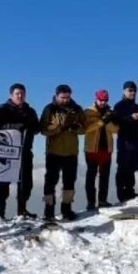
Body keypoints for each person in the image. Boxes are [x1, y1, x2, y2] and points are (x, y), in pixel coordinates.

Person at [0, 83, 40, 221]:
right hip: (7, 151)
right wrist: (16, 127)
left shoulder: (30, 111)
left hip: (25, 150)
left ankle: (22, 210)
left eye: (22, 93)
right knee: (4, 181)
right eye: (17, 93)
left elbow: (37, 128)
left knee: (26, 182)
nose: (20, 96)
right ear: (11, 95)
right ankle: (0, 211)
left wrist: (30, 126)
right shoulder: (3, 109)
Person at [40, 85, 86, 221]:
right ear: (56, 95)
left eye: (67, 97)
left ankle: (67, 209)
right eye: (62, 97)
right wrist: (59, 127)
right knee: (50, 182)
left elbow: (84, 128)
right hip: (54, 151)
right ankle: (48, 211)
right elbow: (43, 128)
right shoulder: (49, 109)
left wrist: (76, 128)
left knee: (70, 182)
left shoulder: (77, 109)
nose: (65, 100)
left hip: (71, 152)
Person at [83, 90, 119, 210]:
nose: (103, 102)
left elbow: (116, 130)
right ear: (96, 99)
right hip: (92, 149)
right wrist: (102, 121)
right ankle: (91, 202)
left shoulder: (111, 112)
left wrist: (109, 121)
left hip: (106, 149)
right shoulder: (88, 112)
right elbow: (86, 129)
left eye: (105, 100)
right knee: (91, 175)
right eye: (101, 100)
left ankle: (103, 200)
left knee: (105, 176)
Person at [113, 81, 138, 203]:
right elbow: (116, 121)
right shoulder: (119, 106)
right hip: (125, 140)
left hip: (136, 140)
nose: (133, 93)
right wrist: (130, 118)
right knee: (123, 166)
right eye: (130, 90)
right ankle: (122, 194)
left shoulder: (137, 107)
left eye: (134, 90)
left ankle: (130, 191)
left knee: (133, 165)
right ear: (124, 91)